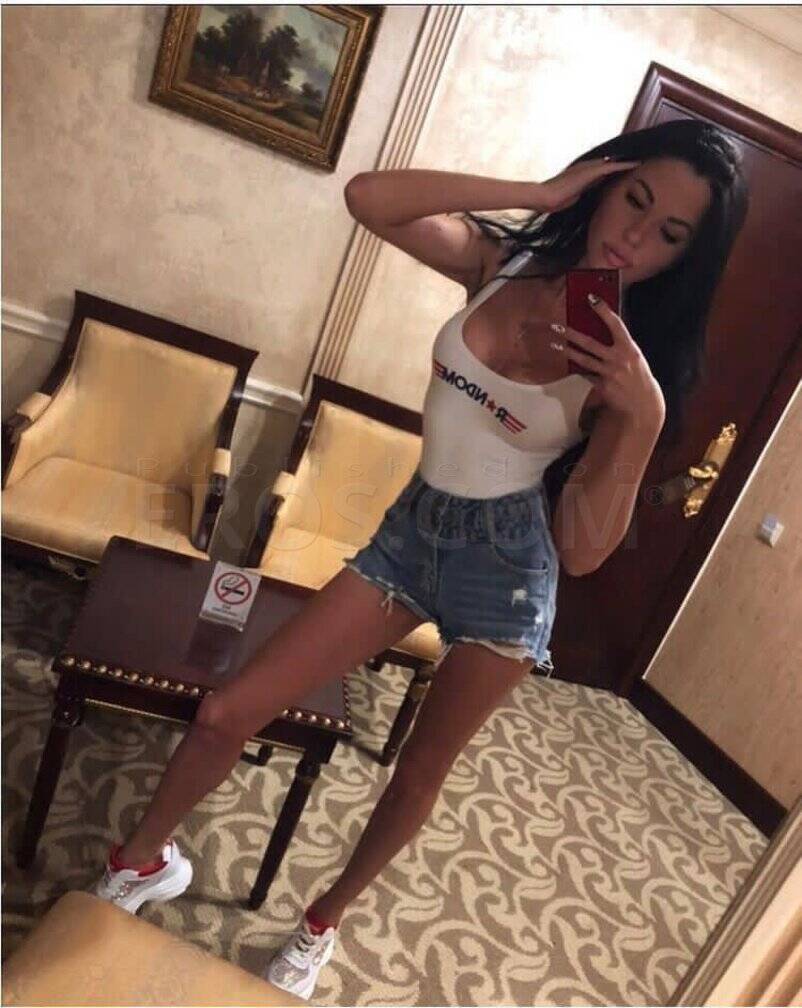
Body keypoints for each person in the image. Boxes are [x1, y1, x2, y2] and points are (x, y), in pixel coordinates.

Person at [91, 119, 748, 1000]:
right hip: (412, 535)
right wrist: (540, 195)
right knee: (225, 711)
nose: (633, 237)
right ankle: (142, 862)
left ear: (685, 260)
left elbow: (582, 551)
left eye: (668, 233)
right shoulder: (504, 263)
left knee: (415, 776)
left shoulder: (625, 375)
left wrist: (643, 422)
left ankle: (320, 925)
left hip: (507, 575)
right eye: (634, 198)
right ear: (604, 180)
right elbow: (369, 198)